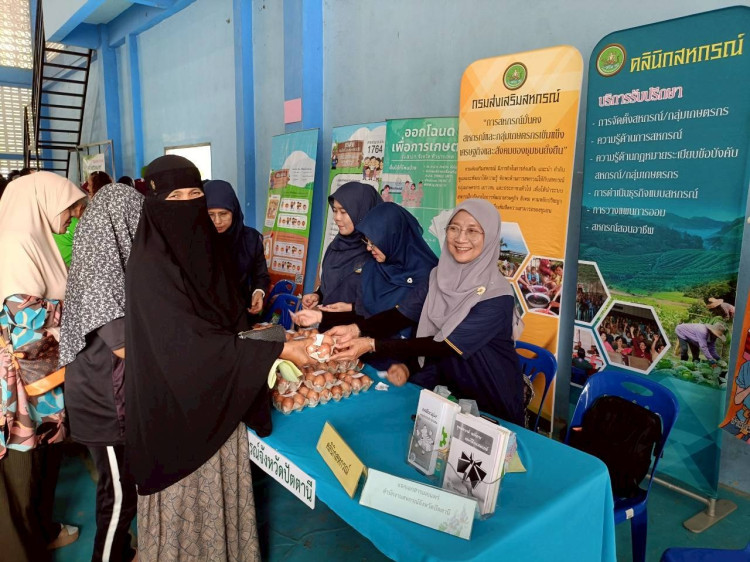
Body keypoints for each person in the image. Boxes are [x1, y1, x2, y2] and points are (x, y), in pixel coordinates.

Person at [124, 155, 312, 561]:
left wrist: (262, 338)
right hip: (176, 417)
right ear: (154, 203)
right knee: (187, 521)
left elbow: (226, 324)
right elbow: (185, 348)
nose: (188, 205)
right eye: (176, 197)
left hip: (219, 406)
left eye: (195, 194)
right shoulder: (150, 266)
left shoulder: (208, 253)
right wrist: (276, 349)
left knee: (222, 506)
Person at [325, 199, 525, 424]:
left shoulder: (497, 297)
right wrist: (355, 329)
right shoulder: (438, 276)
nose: (460, 238)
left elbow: (445, 345)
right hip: (449, 393)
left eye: (472, 231)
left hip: (491, 395)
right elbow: (400, 315)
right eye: (454, 228)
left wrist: (372, 344)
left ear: (490, 237)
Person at [0, 172, 87, 560]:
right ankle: (26, 544)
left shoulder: (32, 239)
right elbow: (23, 319)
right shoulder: (16, 242)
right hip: (22, 384)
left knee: (39, 458)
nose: (72, 218)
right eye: (70, 209)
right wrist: (77, 309)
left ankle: (39, 531)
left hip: (37, 378)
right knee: (24, 464)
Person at [58, 183, 143, 562]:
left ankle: (120, 551)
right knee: (119, 497)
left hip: (103, 395)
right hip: (104, 408)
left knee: (119, 490)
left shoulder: (96, 258)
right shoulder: (101, 274)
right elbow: (124, 345)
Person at [294, 202, 437, 336]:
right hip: (368, 346)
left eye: (374, 243)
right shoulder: (375, 267)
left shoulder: (428, 275)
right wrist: (321, 316)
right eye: (367, 241)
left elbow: (396, 318)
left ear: (394, 238)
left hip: (401, 351)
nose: (368, 248)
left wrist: (354, 328)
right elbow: (365, 315)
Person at [301, 182, 382, 309]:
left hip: (356, 322)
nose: (337, 217)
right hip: (328, 320)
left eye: (344, 212)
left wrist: (350, 308)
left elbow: (382, 303)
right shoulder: (335, 246)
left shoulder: (377, 252)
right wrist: (318, 296)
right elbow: (332, 286)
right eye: (335, 210)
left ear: (362, 212)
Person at [204, 180, 270, 319]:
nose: (217, 221)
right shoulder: (196, 241)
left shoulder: (251, 239)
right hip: (205, 315)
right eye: (210, 215)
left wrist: (258, 292)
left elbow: (261, 275)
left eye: (223, 214)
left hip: (242, 312)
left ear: (234, 211)